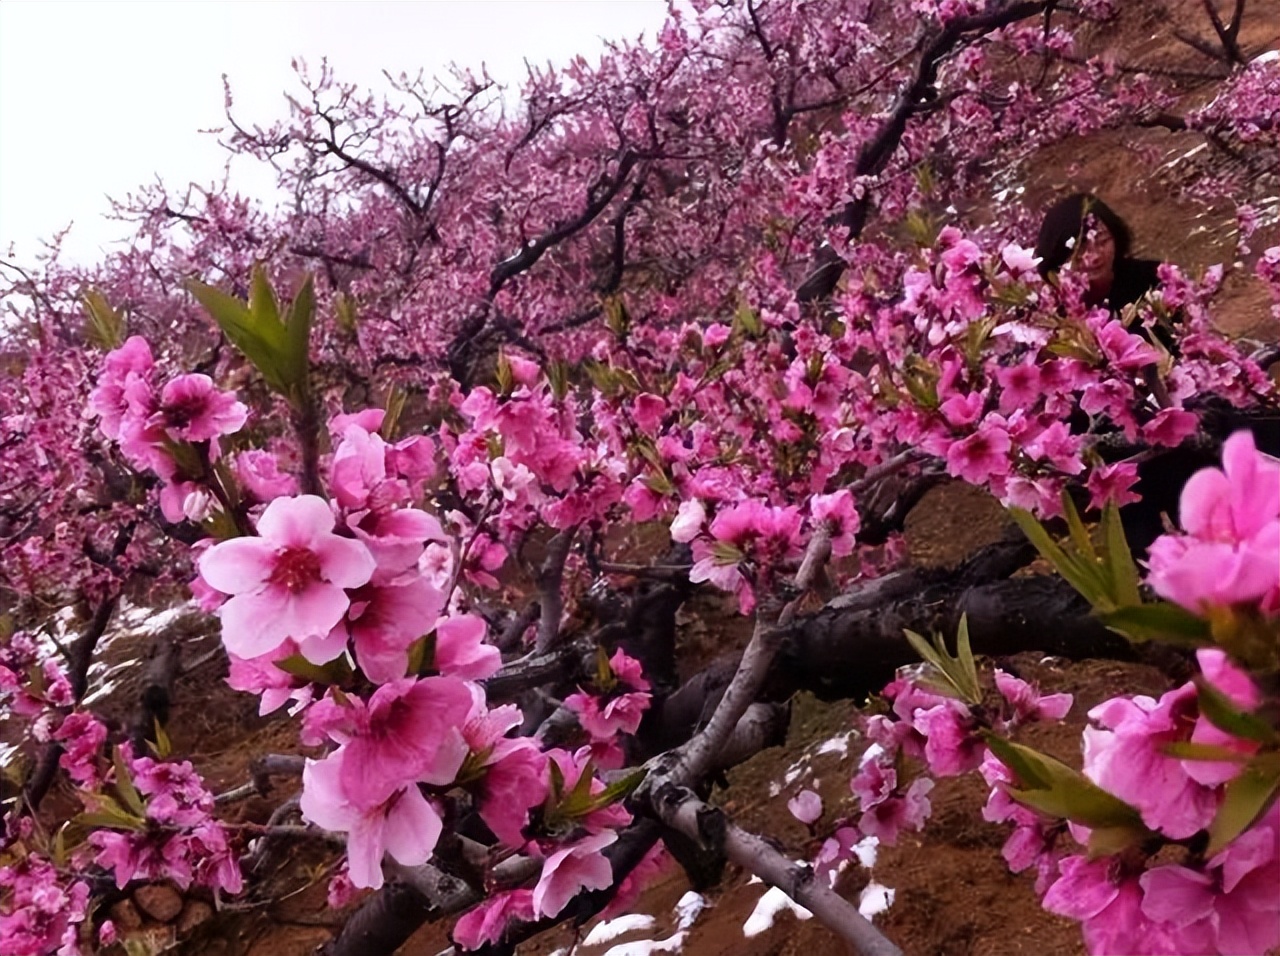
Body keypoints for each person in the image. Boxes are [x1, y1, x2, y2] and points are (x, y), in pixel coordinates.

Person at [1034, 193, 1162, 313]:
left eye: (1103, 241)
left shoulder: (1155, 280)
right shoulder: (1050, 309)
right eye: (1080, 249)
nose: (1095, 256)